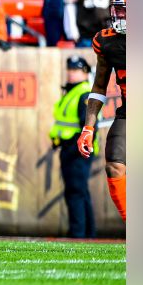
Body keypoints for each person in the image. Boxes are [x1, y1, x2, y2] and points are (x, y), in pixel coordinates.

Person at [78, 0, 126, 222]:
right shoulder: (107, 41)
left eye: (125, 12)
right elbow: (99, 87)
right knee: (115, 165)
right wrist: (88, 127)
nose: (120, 17)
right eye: (119, 11)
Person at [51, 56, 96, 238]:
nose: (71, 72)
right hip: (70, 149)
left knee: (76, 192)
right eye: (69, 69)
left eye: (75, 69)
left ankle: (78, 235)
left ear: (85, 72)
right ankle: (87, 234)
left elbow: (89, 126)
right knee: (79, 192)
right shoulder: (73, 91)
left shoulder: (84, 93)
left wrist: (81, 148)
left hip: (78, 151)